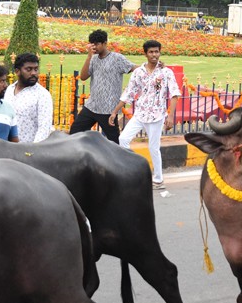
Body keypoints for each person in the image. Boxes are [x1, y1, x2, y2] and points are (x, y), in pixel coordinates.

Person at [113, 39, 180, 188]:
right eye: (151, 52)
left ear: (160, 52)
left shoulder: (166, 72)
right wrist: (115, 112)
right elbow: (129, 93)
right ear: (145, 54)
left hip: (157, 116)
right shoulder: (138, 72)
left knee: (153, 148)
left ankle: (158, 179)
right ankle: (135, 168)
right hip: (140, 114)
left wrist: (170, 116)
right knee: (123, 139)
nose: (154, 55)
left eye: (156, 51)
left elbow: (174, 94)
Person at [72, 30, 136, 142]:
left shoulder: (117, 58)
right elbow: (83, 77)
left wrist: (151, 67)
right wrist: (89, 57)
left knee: (114, 141)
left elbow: (133, 68)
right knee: (74, 132)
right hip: (91, 107)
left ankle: (117, 159)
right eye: (92, 44)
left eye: (97, 44)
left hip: (108, 110)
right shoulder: (93, 59)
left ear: (105, 43)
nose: (94, 47)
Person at [5, 53, 53, 143]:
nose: (34, 73)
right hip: (7, 148)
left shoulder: (42, 95)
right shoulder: (9, 90)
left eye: (36, 69)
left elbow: (44, 128)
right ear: (17, 71)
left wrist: (32, 151)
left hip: (29, 151)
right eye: (29, 69)